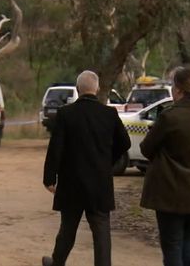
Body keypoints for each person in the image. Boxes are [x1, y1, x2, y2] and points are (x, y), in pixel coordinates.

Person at [42, 70, 131, 266]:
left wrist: (49, 178)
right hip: (100, 182)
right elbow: (125, 143)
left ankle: (57, 263)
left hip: (71, 182)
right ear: (97, 89)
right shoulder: (109, 114)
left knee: (67, 230)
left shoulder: (65, 114)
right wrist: (108, 160)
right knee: (101, 233)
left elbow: (56, 148)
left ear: (77, 89)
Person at [140, 66, 190, 266]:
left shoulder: (170, 116)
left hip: (171, 192)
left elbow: (146, 148)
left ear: (177, 89)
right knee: (189, 239)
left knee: (173, 244)